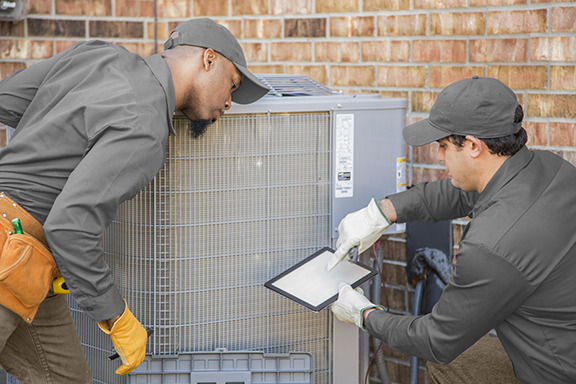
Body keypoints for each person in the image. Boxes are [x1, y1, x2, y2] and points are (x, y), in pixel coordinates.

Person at [0, 18, 268, 382]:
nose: (229, 102)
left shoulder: (95, 54)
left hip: (32, 264)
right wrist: (118, 317)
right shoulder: (146, 125)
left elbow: (7, 98)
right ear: (208, 59)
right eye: (232, 85)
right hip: (10, 250)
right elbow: (70, 227)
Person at [328, 76, 576, 383]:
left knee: (449, 357)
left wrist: (365, 315)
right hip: (563, 342)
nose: (439, 156)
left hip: (554, 372)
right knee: (460, 362)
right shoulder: (551, 169)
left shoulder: (491, 246)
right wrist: (380, 213)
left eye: (444, 145)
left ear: (473, 145)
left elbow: (437, 340)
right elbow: (461, 192)